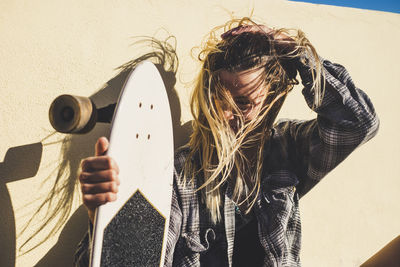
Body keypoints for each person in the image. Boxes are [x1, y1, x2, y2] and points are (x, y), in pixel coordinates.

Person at [74, 19, 379, 266]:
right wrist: (105, 217)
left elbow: (358, 123)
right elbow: (141, 260)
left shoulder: (287, 149)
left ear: (271, 101)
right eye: (217, 97)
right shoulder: (178, 176)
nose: (223, 113)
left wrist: (297, 52)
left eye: (244, 102)